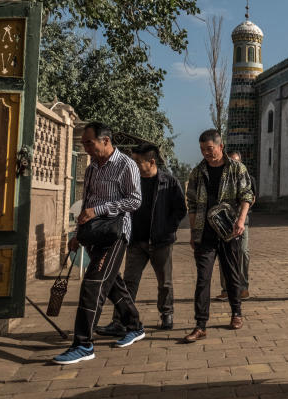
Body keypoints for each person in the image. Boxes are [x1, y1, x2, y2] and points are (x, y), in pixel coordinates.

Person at [54, 122, 144, 365]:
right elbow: (87, 203)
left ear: (106, 140)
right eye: (83, 144)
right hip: (93, 234)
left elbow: (135, 200)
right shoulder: (93, 167)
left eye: (88, 143)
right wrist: (78, 234)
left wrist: (100, 210)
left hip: (115, 234)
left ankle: (83, 344)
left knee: (93, 284)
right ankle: (134, 325)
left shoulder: (126, 165)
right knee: (112, 283)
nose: (85, 149)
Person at [95, 143, 186, 336]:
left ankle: (166, 314)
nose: (133, 165)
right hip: (135, 242)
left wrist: (167, 231)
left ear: (151, 161)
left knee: (165, 282)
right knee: (128, 283)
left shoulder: (169, 182)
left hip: (160, 243)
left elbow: (180, 210)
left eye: (137, 161)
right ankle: (120, 321)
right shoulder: (130, 181)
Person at [182, 129, 253, 342]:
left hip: (230, 231)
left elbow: (247, 195)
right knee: (203, 279)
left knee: (232, 273)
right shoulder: (197, 172)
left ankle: (236, 313)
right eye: (203, 149)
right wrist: (194, 233)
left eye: (210, 149)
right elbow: (192, 205)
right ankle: (200, 324)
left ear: (220, 147)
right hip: (205, 233)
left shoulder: (237, 169)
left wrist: (240, 221)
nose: (206, 153)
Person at [217, 150, 253, 301]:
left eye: (236, 161)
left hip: (241, 221)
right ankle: (226, 288)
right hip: (224, 222)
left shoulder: (248, 178)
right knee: (225, 254)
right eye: (231, 161)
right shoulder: (222, 179)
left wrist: (240, 216)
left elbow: (251, 198)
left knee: (243, 252)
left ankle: (243, 287)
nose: (234, 164)